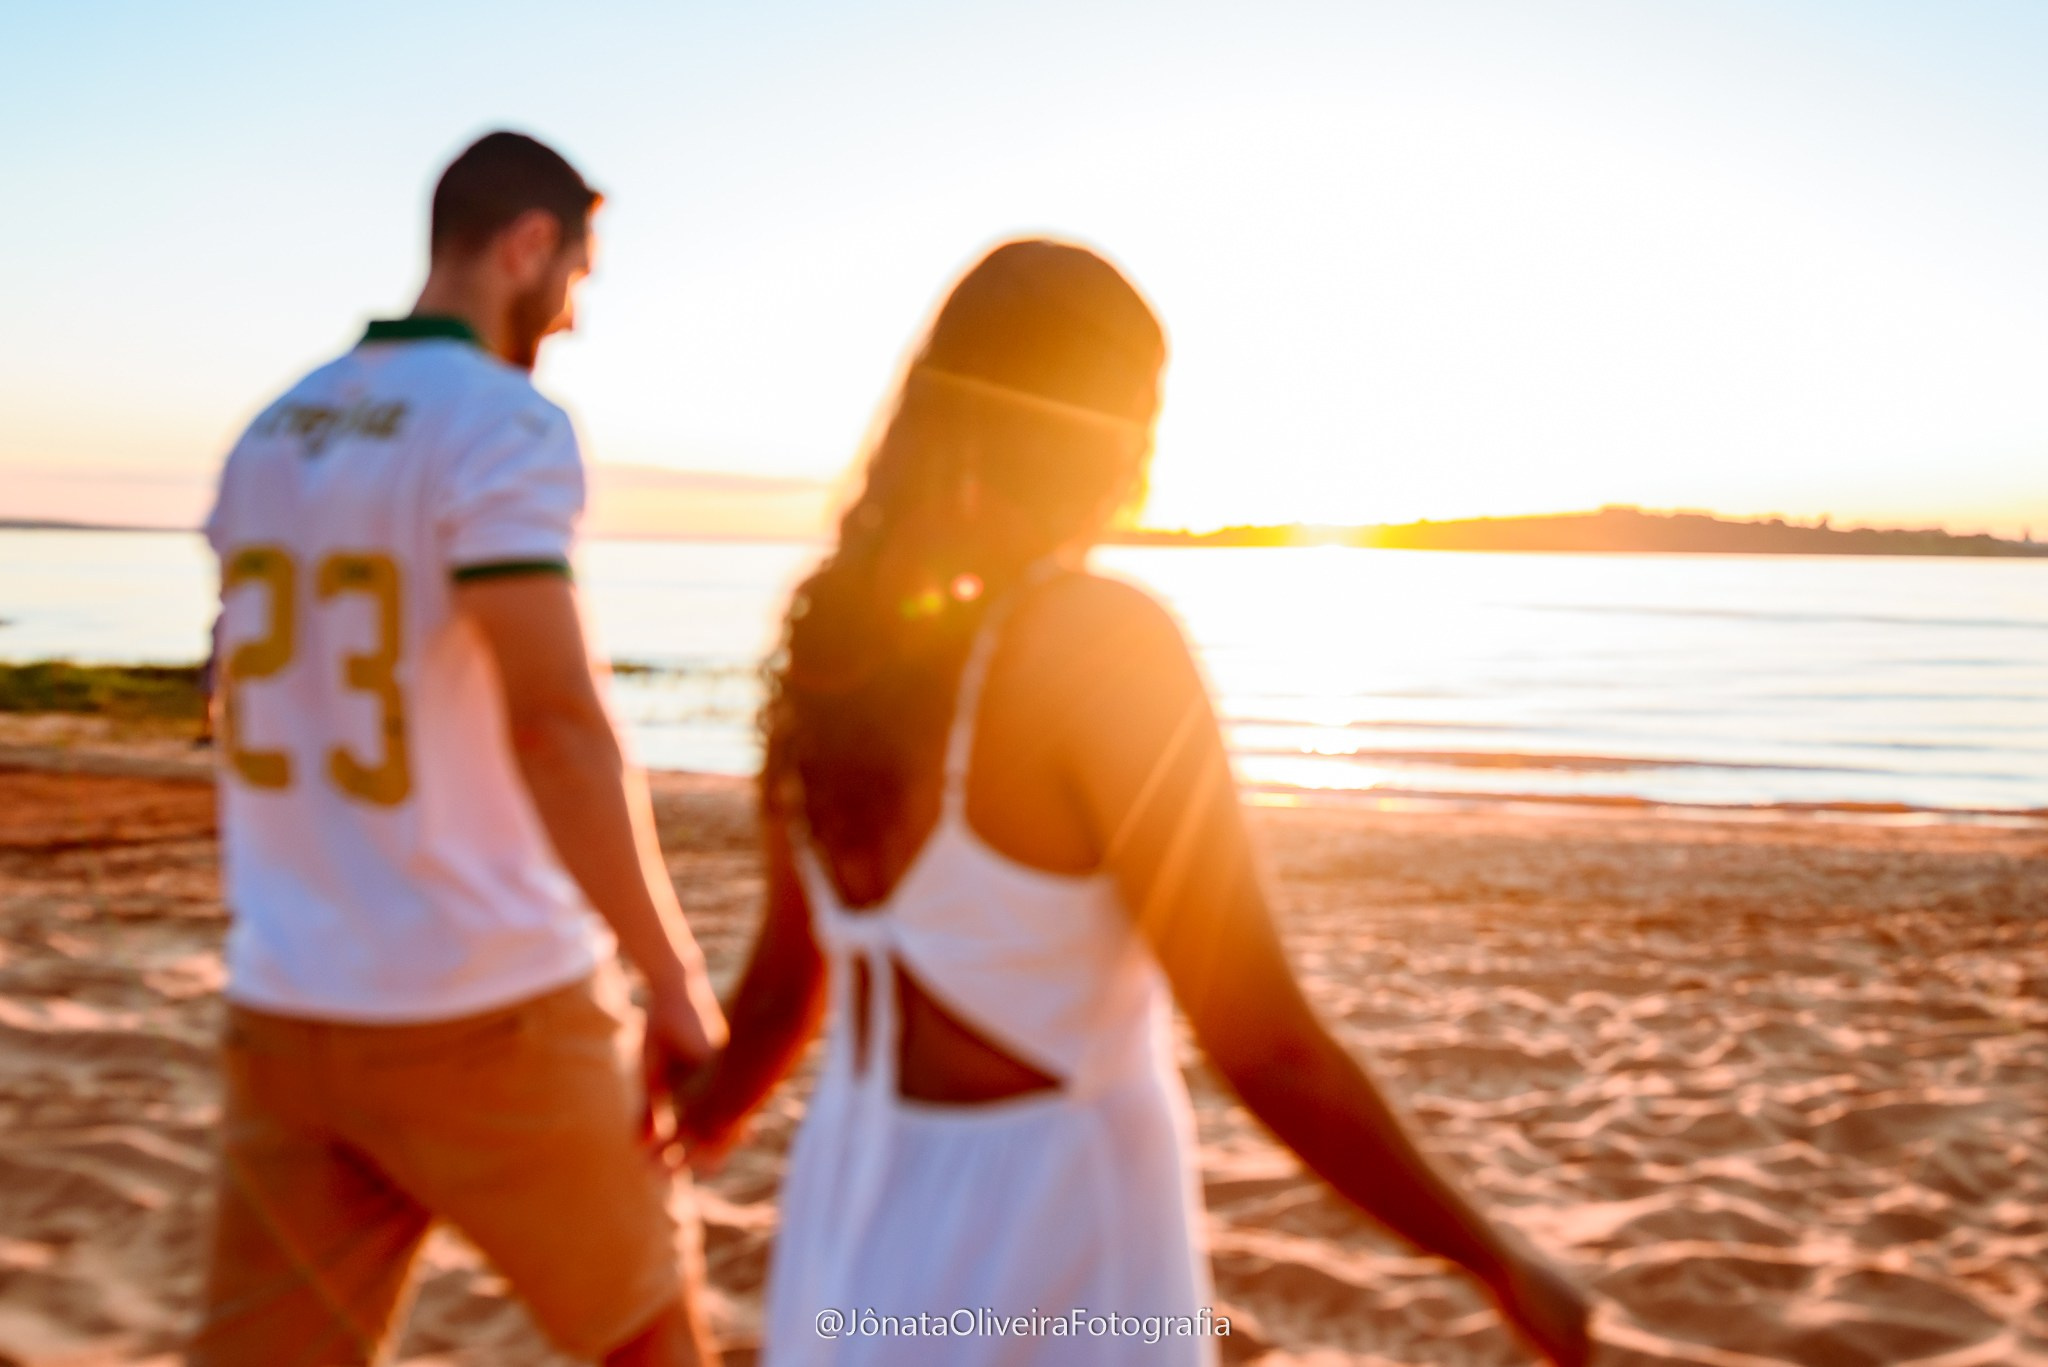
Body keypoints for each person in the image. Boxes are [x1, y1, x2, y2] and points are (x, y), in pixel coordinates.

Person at [675, 240, 1594, 1366]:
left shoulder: (836, 638)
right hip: (1048, 1234)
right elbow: (1265, 1045)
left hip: (849, 1221)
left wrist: (701, 1108)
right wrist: (1495, 1256)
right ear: (1104, 429)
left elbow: (785, 975)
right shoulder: (1100, 645)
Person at [191, 131, 726, 1367]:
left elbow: (233, 685)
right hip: (482, 1004)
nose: (575, 318)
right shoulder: (501, 421)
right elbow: (556, 722)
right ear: (525, 245)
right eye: (577, 280)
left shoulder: (273, 425)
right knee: (647, 1340)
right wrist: (672, 976)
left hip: (287, 1003)